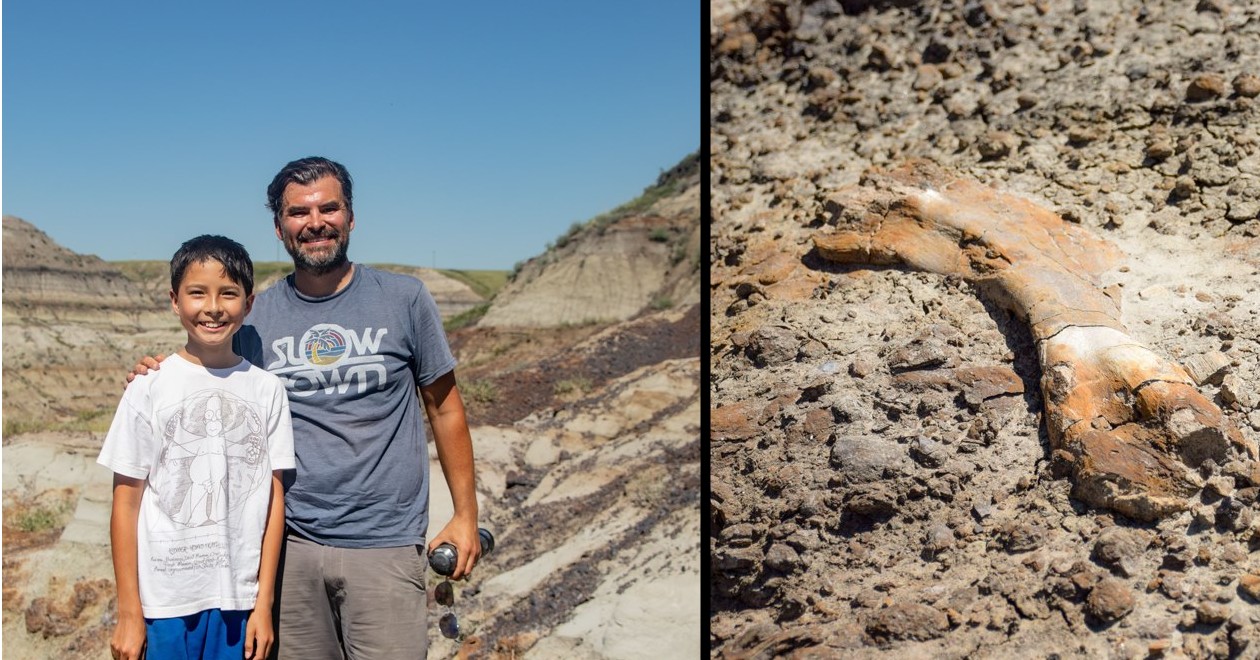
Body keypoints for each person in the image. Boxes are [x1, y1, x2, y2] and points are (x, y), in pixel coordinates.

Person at [131, 156, 482, 658]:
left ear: (351, 217)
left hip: (384, 543)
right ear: (280, 228)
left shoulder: (405, 299)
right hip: (289, 548)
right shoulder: (258, 318)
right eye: (298, 213)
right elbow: (209, 376)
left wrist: (465, 514)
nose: (315, 222)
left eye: (328, 208)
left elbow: (445, 408)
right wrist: (155, 371)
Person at [101, 235, 295, 660]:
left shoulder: (267, 390)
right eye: (197, 293)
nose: (212, 307)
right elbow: (126, 504)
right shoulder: (148, 388)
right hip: (165, 605)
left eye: (228, 293)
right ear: (175, 301)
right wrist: (129, 613)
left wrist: (264, 605)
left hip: (239, 605)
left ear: (249, 303)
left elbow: (273, 501)